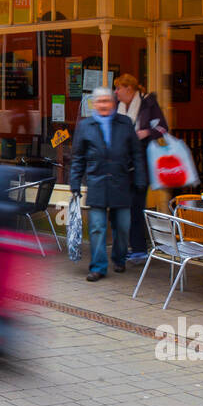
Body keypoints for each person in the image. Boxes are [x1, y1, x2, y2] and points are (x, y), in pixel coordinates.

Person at [69, 86, 146, 282]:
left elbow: (136, 154)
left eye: (107, 101)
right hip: (97, 182)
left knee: (122, 226)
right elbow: (78, 157)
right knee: (96, 227)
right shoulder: (86, 126)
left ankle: (119, 258)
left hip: (121, 182)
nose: (104, 105)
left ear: (113, 103)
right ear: (94, 104)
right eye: (100, 101)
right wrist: (75, 182)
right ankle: (98, 267)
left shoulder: (125, 123)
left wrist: (139, 179)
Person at [115, 74, 168, 263]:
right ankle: (132, 247)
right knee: (123, 207)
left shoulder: (147, 103)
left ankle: (138, 249)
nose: (116, 92)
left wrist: (146, 132)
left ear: (129, 89)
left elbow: (163, 128)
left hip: (140, 164)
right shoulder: (118, 106)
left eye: (119, 88)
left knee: (136, 206)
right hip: (121, 164)